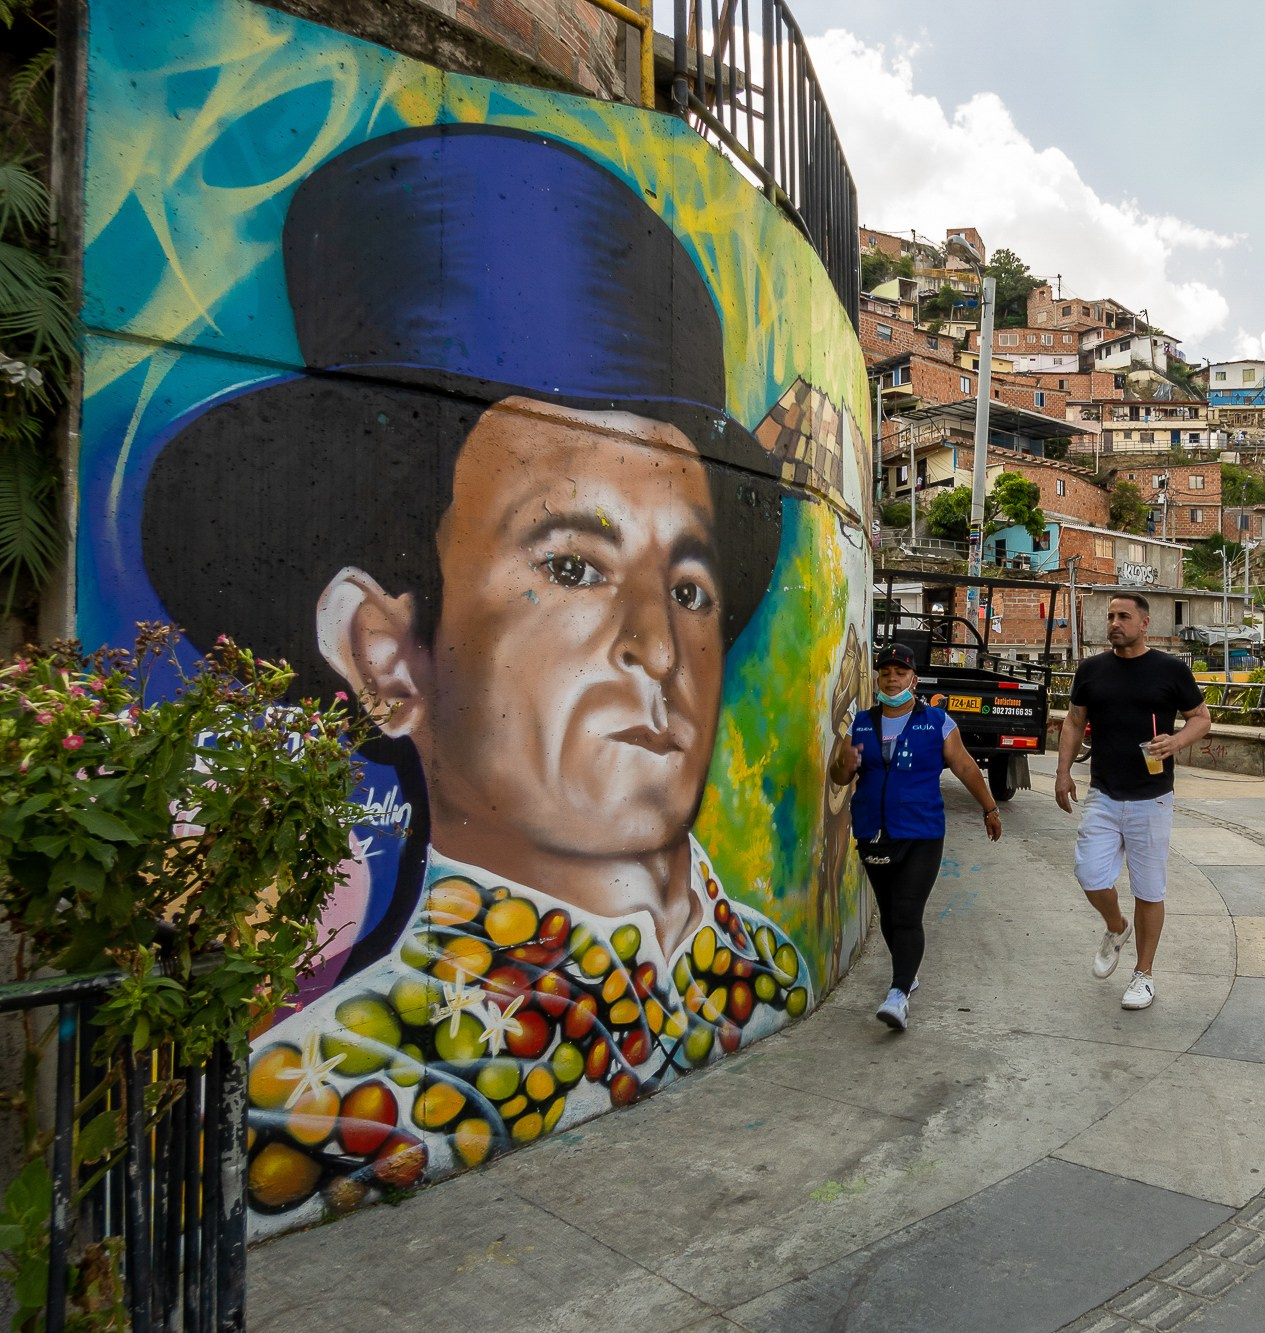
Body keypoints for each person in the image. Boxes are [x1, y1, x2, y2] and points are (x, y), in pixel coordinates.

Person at [139, 126, 844, 1227]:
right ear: (387, 655)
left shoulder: (771, 975)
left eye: (689, 585)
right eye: (572, 566)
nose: (657, 649)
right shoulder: (313, 1119)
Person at [831, 643, 1003, 1032]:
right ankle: (907, 971)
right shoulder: (860, 722)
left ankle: (898, 994)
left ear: (914, 679)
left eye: (901, 672)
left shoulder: (938, 722)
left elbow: (965, 766)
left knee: (907, 912)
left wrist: (989, 807)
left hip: (922, 832)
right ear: (878, 679)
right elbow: (839, 777)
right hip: (873, 831)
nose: (892, 679)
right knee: (891, 913)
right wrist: (845, 763)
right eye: (886, 672)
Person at [1054, 594, 1212, 1011]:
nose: (1114, 623)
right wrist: (1062, 772)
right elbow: (1074, 721)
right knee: (1089, 873)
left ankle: (1143, 975)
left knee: (1148, 889)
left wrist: (1175, 741)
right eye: (1110, 616)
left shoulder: (1169, 669)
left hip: (1152, 798)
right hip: (1103, 792)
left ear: (1144, 623)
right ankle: (1116, 926)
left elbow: (1202, 717)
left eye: (1123, 616)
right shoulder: (1091, 670)